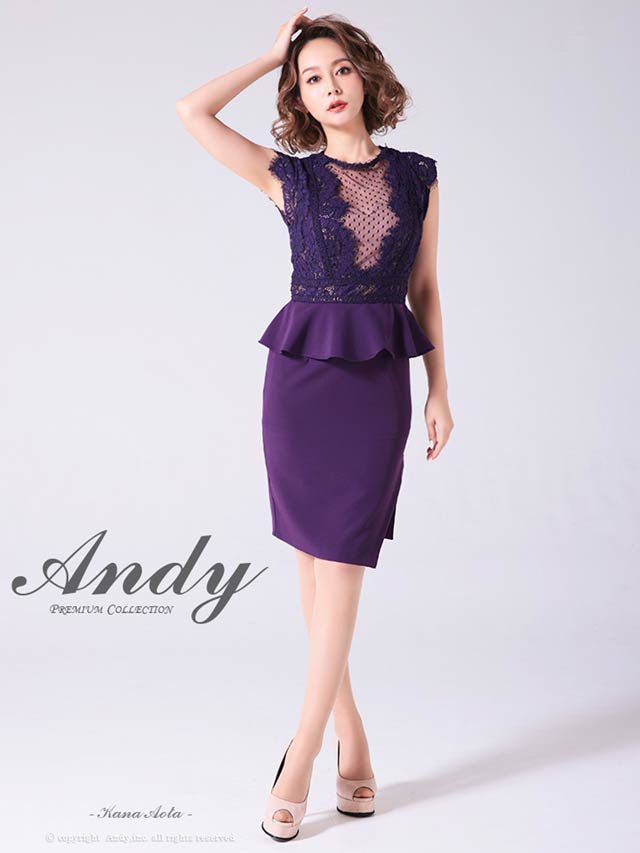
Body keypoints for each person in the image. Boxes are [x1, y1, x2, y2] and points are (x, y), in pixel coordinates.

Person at [177, 8, 454, 842]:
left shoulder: (418, 176)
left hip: (378, 383)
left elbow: (425, 288)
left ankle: (300, 753)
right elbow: (192, 110)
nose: (329, 86)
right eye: (310, 78)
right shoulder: (288, 178)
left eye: (339, 70)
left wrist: (441, 388)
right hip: (299, 384)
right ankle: (350, 737)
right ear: (296, 96)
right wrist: (272, 54)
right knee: (312, 560)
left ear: (365, 76)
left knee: (342, 562)